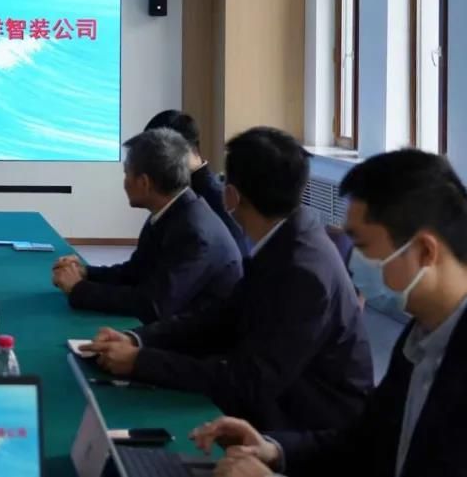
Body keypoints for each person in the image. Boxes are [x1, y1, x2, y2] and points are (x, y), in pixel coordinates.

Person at [192, 149, 467, 477]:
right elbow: (363, 443)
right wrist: (274, 450)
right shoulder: (421, 334)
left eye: (362, 247)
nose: (354, 261)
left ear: (424, 251)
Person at [82, 127, 372, 431]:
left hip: (307, 425)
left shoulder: (303, 271)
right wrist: (138, 339)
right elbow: (221, 318)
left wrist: (141, 362)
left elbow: (249, 380)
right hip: (277, 397)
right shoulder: (287, 238)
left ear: (231, 195)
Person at [52, 128, 243, 323]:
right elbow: (135, 272)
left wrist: (78, 288)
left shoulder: (194, 232)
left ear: (144, 183)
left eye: (127, 174)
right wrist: (86, 272)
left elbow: (153, 305)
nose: (124, 182)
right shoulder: (172, 211)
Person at [144, 109, 248, 255]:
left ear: (181, 149)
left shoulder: (216, 198)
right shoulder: (174, 191)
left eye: (158, 153)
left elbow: (237, 256)